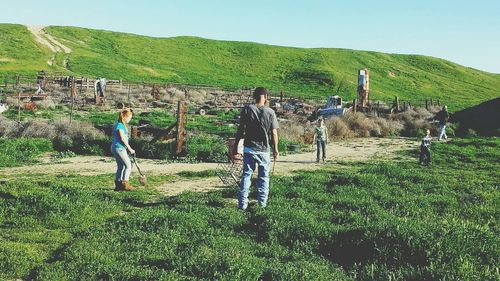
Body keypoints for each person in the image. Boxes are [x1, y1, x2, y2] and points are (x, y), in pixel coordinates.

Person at [233, 87, 279, 210]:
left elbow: (240, 130)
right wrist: (276, 149)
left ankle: (242, 205)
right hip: (264, 150)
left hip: (248, 148)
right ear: (266, 97)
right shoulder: (270, 112)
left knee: (246, 176)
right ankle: (262, 205)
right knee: (264, 178)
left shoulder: (247, 109)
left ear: (254, 96)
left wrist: (235, 147)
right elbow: (274, 133)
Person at [111, 109, 136, 191]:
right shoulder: (120, 125)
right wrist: (130, 148)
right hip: (119, 148)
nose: (130, 119)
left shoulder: (119, 124)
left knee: (121, 166)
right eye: (129, 117)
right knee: (128, 165)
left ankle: (118, 185)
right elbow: (122, 138)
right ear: (125, 116)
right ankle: (125, 185)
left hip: (117, 147)